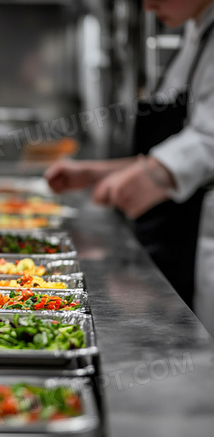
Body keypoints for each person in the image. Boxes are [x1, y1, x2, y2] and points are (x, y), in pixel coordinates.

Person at [45, 0, 214, 330]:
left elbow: (206, 141)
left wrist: (155, 174)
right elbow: (179, 142)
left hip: (198, 232)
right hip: (179, 232)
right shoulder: (196, 32)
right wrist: (96, 173)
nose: (149, 6)